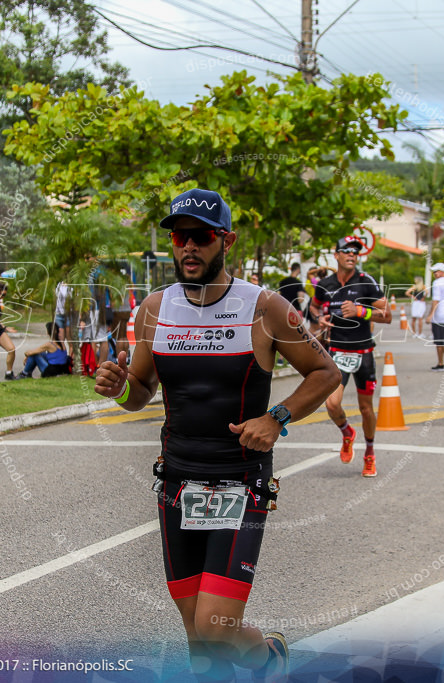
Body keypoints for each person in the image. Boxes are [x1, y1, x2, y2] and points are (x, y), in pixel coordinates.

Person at [94, 188, 339, 681]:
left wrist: (278, 418)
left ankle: (270, 656)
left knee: (215, 625)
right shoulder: (154, 309)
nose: (188, 247)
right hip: (178, 480)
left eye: (200, 237)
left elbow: (326, 373)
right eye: (179, 236)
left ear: (225, 240)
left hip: (239, 480)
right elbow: (141, 390)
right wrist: (120, 389)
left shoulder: (264, 306)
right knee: (195, 629)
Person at [310, 235, 391, 478]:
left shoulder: (366, 282)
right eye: (346, 250)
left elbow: (386, 315)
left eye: (355, 251)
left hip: (364, 352)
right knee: (332, 403)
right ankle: (347, 432)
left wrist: (360, 311)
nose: (352, 254)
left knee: (366, 408)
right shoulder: (325, 283)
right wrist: (319, 318)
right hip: (337, 350)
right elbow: (314, 306)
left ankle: (369, 453)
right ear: (336, 255)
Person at [53, 276, 72, 353]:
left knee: (71, 342)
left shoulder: (74, 285)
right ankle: (63, 361)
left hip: (69, 315)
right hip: (59, 314)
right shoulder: (59, 284)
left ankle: (71, 362)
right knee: (60, 341)